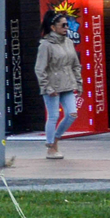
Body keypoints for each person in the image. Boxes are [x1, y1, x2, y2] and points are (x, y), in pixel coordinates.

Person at [36, 9, 81, 158]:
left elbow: (75, 64)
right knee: (53, 115)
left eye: (67, 25)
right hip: (52, 86)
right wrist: (47, 87)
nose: (66, 28)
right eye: (63, 25)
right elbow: (39, 68)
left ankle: (55, 139)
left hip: (68, 83)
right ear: (53, 27)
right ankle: (50, 147)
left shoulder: (68, 42)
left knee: (72, 114)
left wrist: (78, 83)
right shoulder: (46, 45)